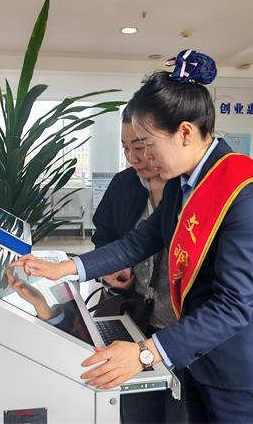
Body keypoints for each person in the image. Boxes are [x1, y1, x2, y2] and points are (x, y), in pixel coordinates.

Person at [11, 49, 253, 423]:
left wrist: (145, 353)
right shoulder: (184, 184)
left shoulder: (247, 196)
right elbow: (141, 241)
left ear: (185, 133)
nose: (143, 158)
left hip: (249, 374)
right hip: (201, 360)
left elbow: (234, 306)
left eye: (147, 145)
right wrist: (66, 267)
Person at [92, 104, 187, 423]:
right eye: (125, 148)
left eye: (141, 146)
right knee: (137, 413)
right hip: (136, 321)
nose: (133, 158)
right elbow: (105, 234)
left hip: (185, 333)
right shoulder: (124, 184)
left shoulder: (190, 189)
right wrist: (106, 270)